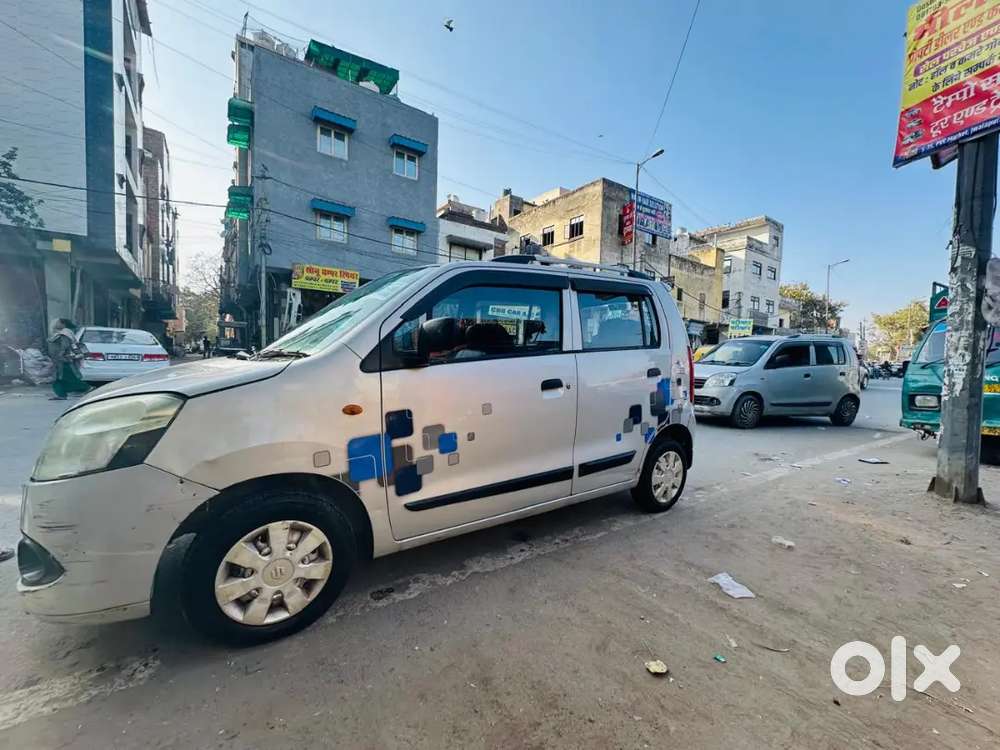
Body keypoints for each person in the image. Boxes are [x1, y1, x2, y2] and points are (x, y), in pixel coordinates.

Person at [47, 318, 89, 400]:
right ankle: (61, 395)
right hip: (60, 360)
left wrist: (61, 355)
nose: (55, 324)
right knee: (59, 379)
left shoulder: (64, 334)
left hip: (63, 360)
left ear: (63, 324)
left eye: (58, 322)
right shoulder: (67, 333)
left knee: (67, 378)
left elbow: (64, 345)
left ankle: (87, 388)